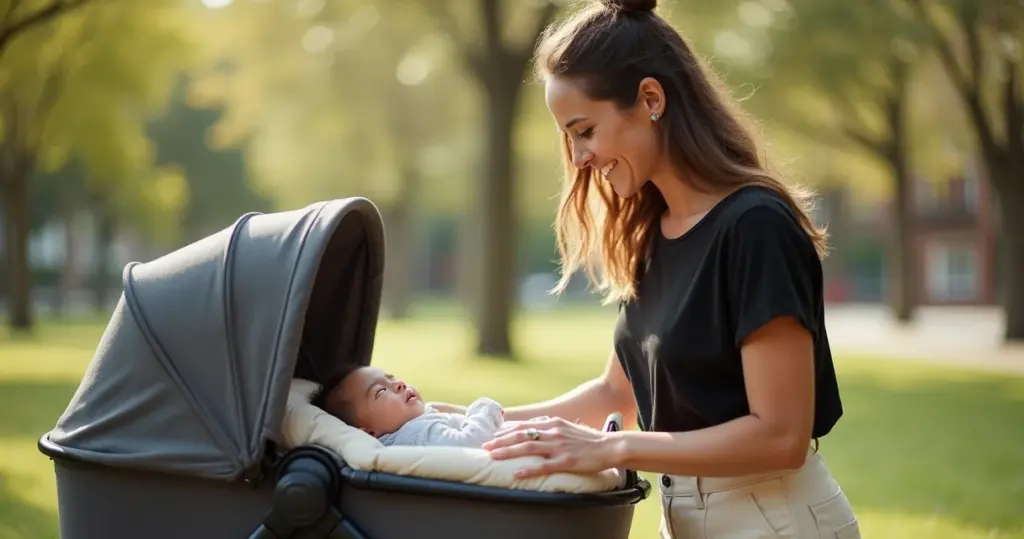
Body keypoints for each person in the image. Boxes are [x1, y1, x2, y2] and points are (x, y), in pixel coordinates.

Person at [428, 0, 861, 537]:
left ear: (651, 99)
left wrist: (613, 447)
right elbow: (615, 395)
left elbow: (781, 436)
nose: (579, 157)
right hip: (682, 517)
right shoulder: (651, 235)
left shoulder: (756, 227)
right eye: (569, 137)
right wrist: (465, 424)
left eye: (584, 130)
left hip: (772, 519)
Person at [311, 365, 509, 447]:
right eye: (381, 391)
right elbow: (471, 443)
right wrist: (484, 408)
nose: (400, 384)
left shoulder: (417, 425)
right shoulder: (416, 433)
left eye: (392, 379)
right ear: (369, 433)